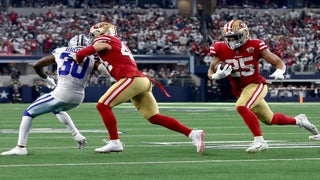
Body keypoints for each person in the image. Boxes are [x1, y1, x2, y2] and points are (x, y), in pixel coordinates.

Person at [75, 22, 205, 153]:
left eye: (93, 35)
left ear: (99, 32)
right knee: (154, 117)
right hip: (141, 80)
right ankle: (192, 133)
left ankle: (115, 142)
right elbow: (108, 64)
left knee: (102, 105)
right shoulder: (117, 44)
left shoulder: (103, 40)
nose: (92, 38)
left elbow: (97, 47)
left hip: (132, 78)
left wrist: (79, 56)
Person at [207, 20, 320, 153]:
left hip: (256, 84)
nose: (231, 40)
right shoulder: (220, 48)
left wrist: (280, 71)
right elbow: (211, 70)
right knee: (270, 119)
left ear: (244, 34)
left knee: (241, 106)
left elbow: (278, 62)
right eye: (228, 38)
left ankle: (259, 141)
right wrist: (215, 76)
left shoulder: (255, 45)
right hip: (241, 90)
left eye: (235, 37)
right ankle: (300, 120)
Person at [1, 34, 109, 156]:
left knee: (28, 113)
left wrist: (47, 79)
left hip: (62, 93)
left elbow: (36, 65)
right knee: (57, 109)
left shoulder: (61, 51)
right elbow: (103, 69)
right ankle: (77, 135)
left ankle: (20, 147)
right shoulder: (92, 56)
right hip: (79, 97)